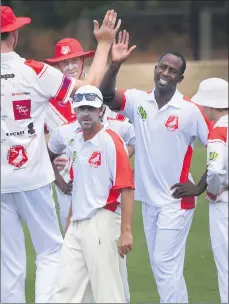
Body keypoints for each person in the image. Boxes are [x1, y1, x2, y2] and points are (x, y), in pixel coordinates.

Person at [1, 5, 121, 303]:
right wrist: (104, 43)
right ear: (14, 35)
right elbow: (89, 89)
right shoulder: (35, 70)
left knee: (9, 262)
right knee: (50, 252)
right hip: (34, 178)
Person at [99, 30, 212, 302]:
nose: (166, 73)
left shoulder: (189, 110)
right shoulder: (139, 100)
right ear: (155, 68)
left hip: (176, 202)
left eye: (173, 71)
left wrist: (198, 187)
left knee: (164, 265)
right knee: (162, 267)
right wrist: (115, 64)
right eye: (162, 66)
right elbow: (105, 95)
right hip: (148, 201)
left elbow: (219, 147)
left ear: (180, 78)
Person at [50, 85, 135, 303]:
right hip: (77, 225)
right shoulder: (76, 141)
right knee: (63, 292)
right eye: (81, 108)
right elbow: (80, 186)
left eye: (91, 108)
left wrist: (126, 231)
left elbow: (126, 188)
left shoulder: (111, 141)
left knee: (107, 292)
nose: (85, 113)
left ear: (101, 110)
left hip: (102, 222)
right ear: (74, 111)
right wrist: (70, 223)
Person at [43, 38, 129, 228]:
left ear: (83, 61)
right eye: (65, 62)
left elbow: (128, 135)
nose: (71, 66)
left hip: (103, 181)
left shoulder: (102, 91)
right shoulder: (48, 100)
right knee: (72, 242)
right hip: (68, 185)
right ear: (58, 65)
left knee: (108, 238)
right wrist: (57, 177)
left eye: (75, 60)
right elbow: (34, 140)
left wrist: (115, 160)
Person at [171, 78, 228, 303]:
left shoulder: (218, 132)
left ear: (211, 105)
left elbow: (215, 171)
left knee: (226, 267)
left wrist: (209, 191)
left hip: (224, 205)